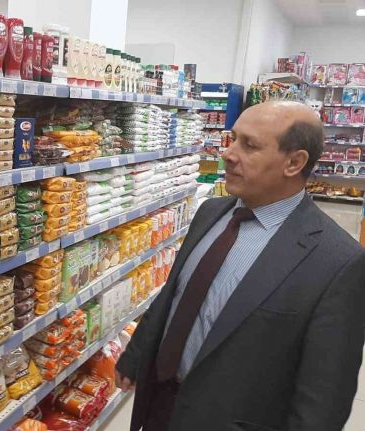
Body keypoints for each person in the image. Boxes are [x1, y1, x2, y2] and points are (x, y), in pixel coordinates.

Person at [115, 101, 365, 431]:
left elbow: (323, 401)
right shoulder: (211, 212)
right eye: (233, 139)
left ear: (294, 162)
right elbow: (175, 293)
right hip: (160, 405)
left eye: (249, 145)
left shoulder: (337, 261)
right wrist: (137, 353)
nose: (228, 153)